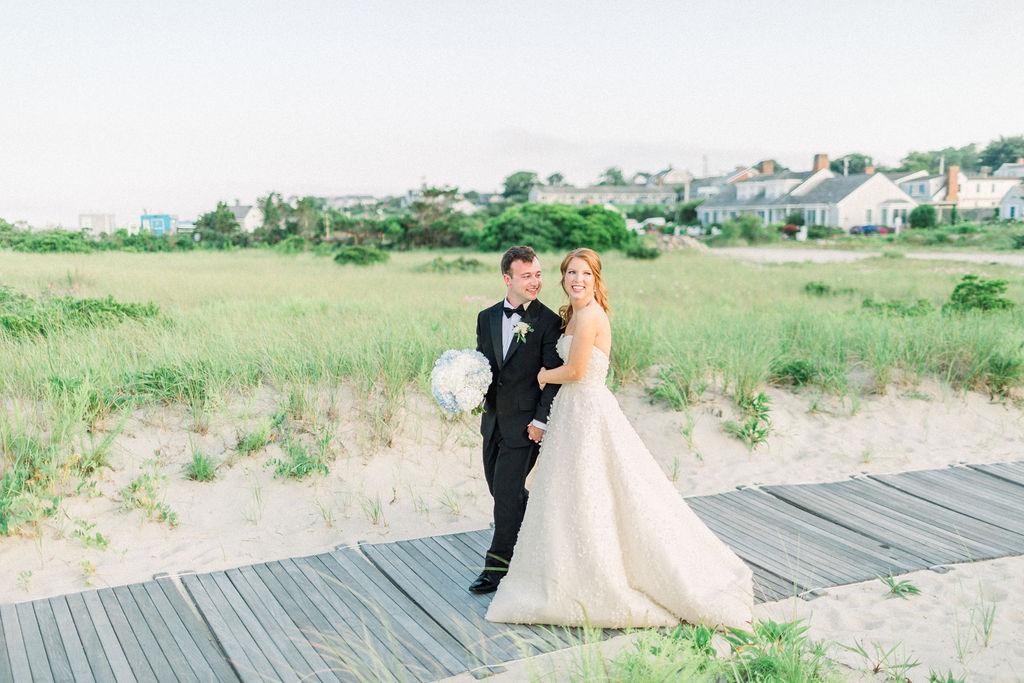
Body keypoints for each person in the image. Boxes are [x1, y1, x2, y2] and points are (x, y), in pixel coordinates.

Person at [484, 248, 753, 629]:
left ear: (596, 279)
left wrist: (544, 376)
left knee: (600, 491)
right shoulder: (572, 315)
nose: (577, 280)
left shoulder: (592, 315)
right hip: (571, 415)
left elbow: (576, 370)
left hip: (589, 412)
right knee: (570, 495)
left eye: (585, 274)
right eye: (571, 273)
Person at [469, 246, 563, 594]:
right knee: (500, 491)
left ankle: (496, 567)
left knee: (507, 495)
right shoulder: (487, 317)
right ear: (507, 278)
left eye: (538, 274)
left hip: (525, 426)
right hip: (492, 421)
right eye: (527, 276)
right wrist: (467, 389)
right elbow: (483, 367)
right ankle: (538, 544)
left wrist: (541, 422)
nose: (535, 281)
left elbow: (552, 378)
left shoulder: (550, 322)